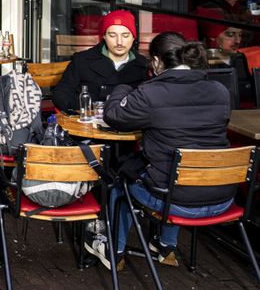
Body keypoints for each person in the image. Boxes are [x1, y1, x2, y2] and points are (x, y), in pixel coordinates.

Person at [86, 32, 234, 271]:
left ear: (155, 62)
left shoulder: (151, 93)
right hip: (223, 199)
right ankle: (166, 245)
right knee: (179, 169)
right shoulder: (220, 90)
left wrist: (122, 88)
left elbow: (115, 117)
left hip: (177, 202)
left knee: (123, 181)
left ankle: (114, 249)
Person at [53, 10, 149, 114]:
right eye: (112, 35)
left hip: (126, 123)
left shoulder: (143, 65)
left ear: (133, 37)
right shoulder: (82, 60)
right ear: (104, 36)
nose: (119, 42)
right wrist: (80, 112)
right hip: (85, 122)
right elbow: (61, 93)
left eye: (125, 35)